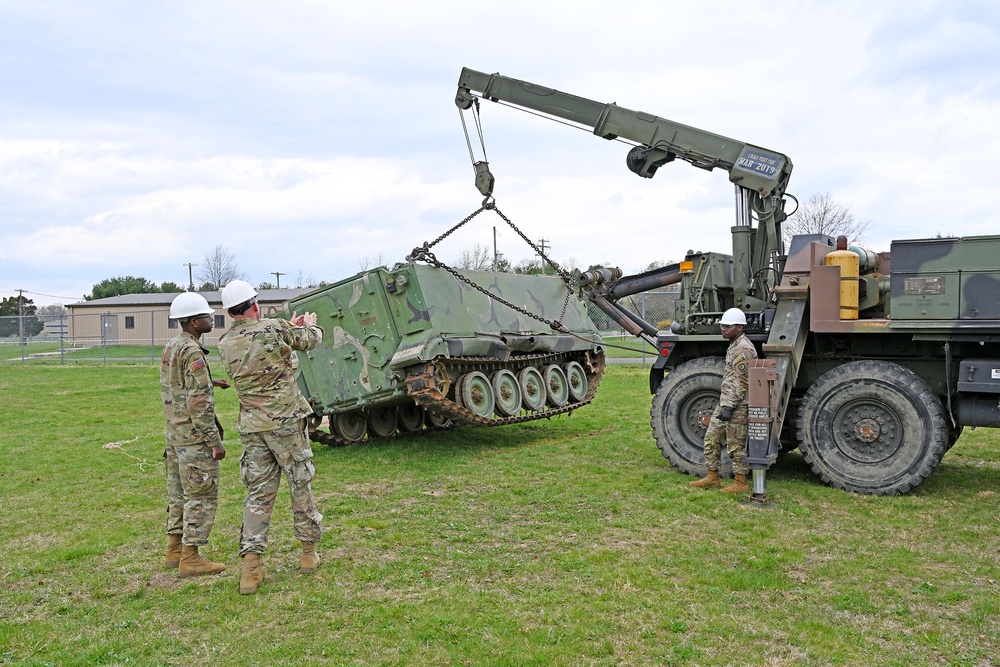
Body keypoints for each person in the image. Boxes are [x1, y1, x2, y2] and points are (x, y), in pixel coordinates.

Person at [217, 280, 325, 595]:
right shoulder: (274, 328)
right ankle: (308, 554)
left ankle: (250, 571)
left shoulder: (225, 342)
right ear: (255, 304)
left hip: (252, 427)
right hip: (287, 423)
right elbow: (307, 341)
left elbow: (263, 344)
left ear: (228, 312)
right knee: (300, 484)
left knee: (258, 496)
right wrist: (310, 326)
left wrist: (285, 330)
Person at [161, 292, 230, 577]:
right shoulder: (192, 350)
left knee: (179, 495)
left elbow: (177, 384)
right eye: (206, 316)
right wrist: (213, 442)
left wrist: (211, 381)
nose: (211, 319)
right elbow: (197, 401)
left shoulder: (173, 345)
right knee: (200, 496)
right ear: (193, 322)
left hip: (175, 437)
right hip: (194, 439)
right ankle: (191, 558)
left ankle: (174, 550)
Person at [689, 307, 757, 494]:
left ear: (740, 327)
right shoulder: (734, 345)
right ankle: (712, 477)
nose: (723, 329)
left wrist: (730, 406)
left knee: (736, 444)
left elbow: (743, 382)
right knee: (711, 437)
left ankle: (741, 482)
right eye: (723, 325)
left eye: (728, 326)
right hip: (727, 402)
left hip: (738, 404)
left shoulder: (743, 348)